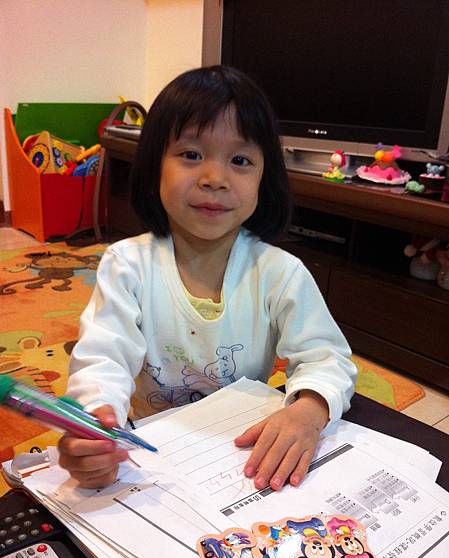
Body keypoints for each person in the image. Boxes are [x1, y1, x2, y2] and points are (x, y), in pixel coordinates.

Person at [58, 65, 357, 492]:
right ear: (154, 166)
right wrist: (95, 422)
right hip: (147, 451)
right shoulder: (127, 264)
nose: (214, 179)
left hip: (237, 455)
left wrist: (309, 410)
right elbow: (102, 359)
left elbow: (327, 358)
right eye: (191, 155)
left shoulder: (280, 272)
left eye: (240, 160)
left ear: (265, 178)